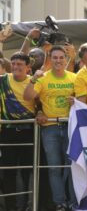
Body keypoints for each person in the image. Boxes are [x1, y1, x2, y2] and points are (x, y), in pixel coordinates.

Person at [23, 45, 76, 211]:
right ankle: (59, 203)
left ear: (66, 59)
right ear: (49, 59)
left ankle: (73, 202)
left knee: (72, 167)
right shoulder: (43, 78)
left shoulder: (74, 77)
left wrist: (76, 101)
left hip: (69, 126)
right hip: (49, 128)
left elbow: (85, 99)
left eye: (61, 57)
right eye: (55, 57)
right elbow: (28, 96)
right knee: (54, 168)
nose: (58, 60)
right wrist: (33, 79)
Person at [0, 52, 35, 211]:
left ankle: (28, 205)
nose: (15, 67)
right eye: (13, 64)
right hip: (8, 132)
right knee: (9, 171)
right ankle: (11, 207)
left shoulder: (34, 82)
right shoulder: (3, 81)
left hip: (30, 132)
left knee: (28, 171)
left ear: (28, 67)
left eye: (20, 64)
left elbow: (40, 103)